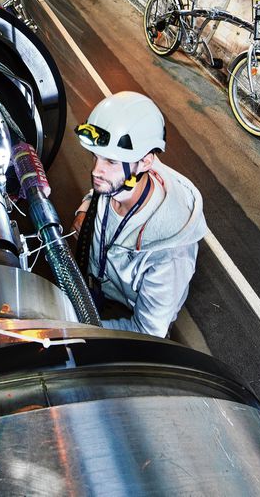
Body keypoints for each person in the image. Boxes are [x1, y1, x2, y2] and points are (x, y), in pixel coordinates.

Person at [72, 91, 207, 338]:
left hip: (131, 311)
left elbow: (146, 333)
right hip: (100, 284)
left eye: (111, 161)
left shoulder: (169, 255)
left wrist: (74, 330)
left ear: (145, 163)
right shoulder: (120, 179)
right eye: (95, 157)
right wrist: (85, 209)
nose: (96, 171)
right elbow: (98, 192)